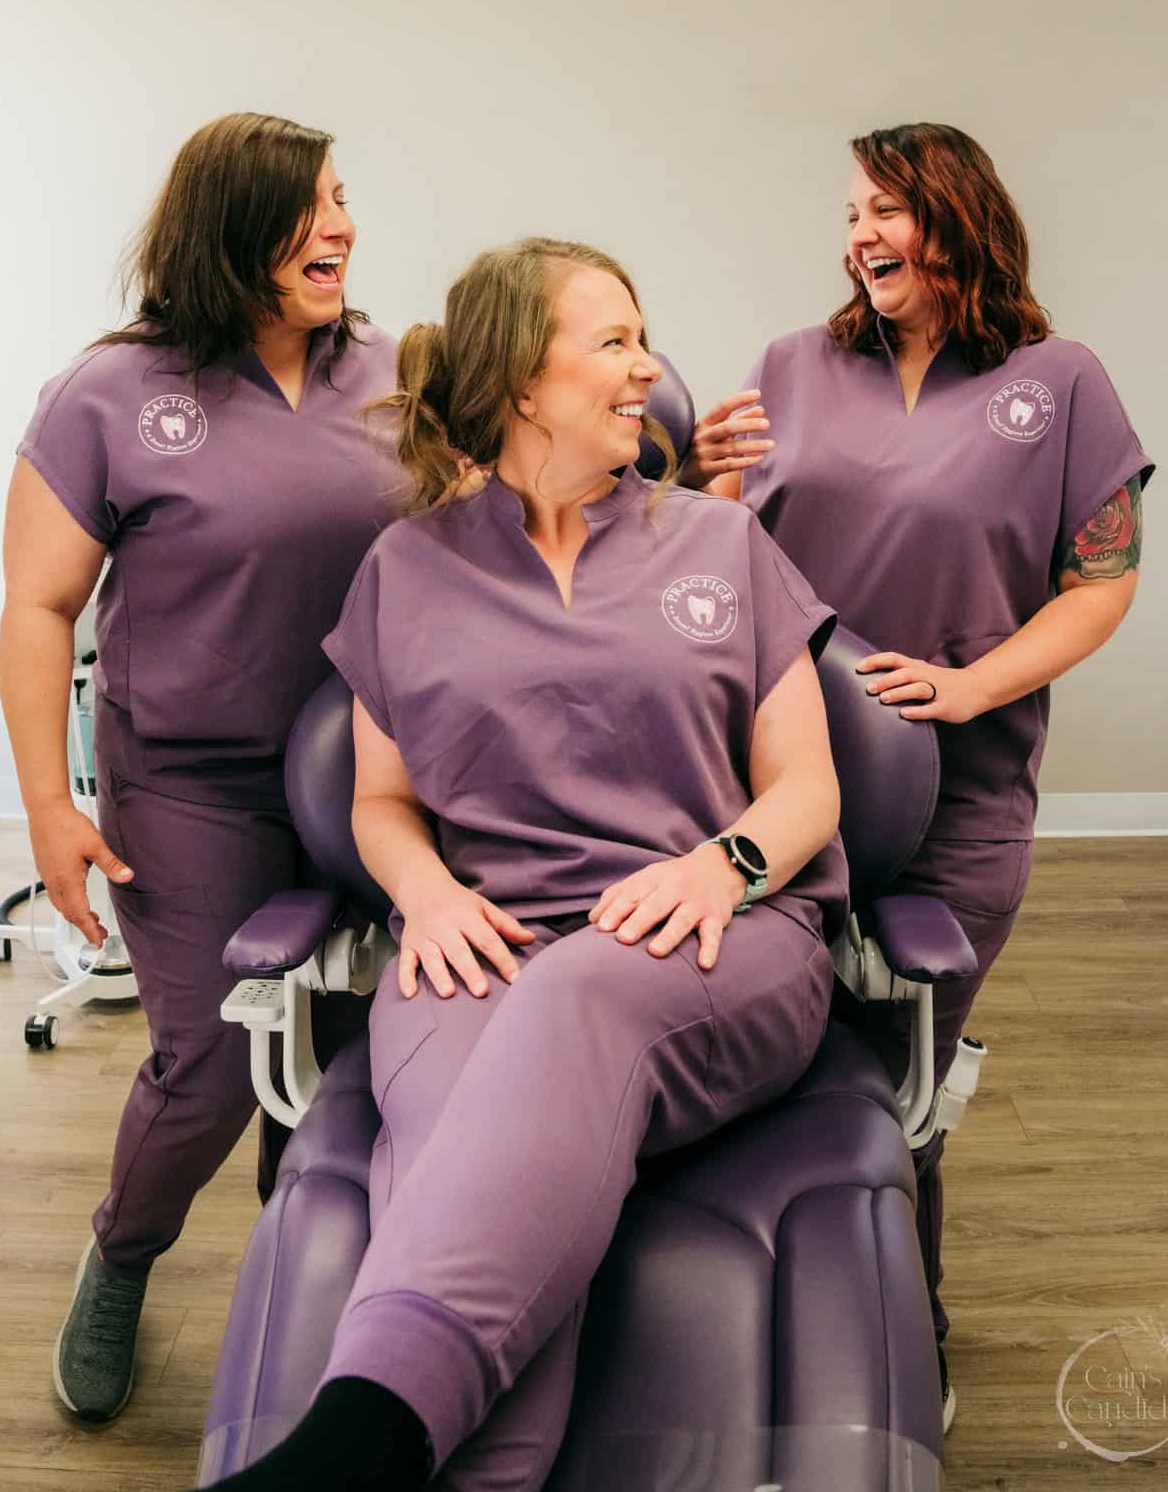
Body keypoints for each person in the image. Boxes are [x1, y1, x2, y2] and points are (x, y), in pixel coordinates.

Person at [196, 238, 847, 1492]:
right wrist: (426, 893)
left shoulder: (721, 543)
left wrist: (722, 864)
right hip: (482, 941)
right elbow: (379, 799)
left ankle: (341, 1450)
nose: (647, 368)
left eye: (641, 339)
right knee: (465, 1168)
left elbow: (806, 789)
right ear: (519, 384)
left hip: (720, 936)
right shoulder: (407, 567)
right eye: (613, 342)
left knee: (578, 993)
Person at [681, 121, 1152, 1433]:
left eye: (883, 208)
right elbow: (719, 567)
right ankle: (741, 1328)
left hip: (961, 803)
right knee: (769, 1070)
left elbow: (1101, 581)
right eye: (850, 213)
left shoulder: (1058, 383)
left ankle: (901, 1320)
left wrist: (969, 686)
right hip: (773, 789)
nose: (858, 235)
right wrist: (705, 486)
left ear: (955, 214)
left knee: (898, 1085)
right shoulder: (792, 366)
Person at [0, 112, 404, 1424]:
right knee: (215, 1057)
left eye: (342, 198)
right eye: (309, 205)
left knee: (355, 1049)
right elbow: (39, 606)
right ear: (231, 229)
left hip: (368, 779)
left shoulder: (393, 374)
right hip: (189, 782)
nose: (340, 226)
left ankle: (308, 1269)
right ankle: (123, 1254)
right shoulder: (110, 394)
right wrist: (49, 806)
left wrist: (683, 467)